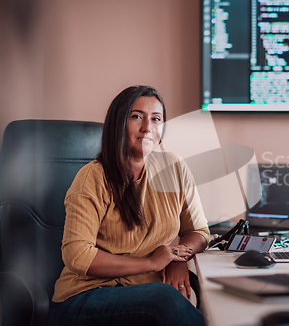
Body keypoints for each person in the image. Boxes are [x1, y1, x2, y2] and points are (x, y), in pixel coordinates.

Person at [49, 85, 209, 326]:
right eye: (137, 117)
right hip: (84, 297)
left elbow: (199, 232)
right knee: (163, 299)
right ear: (118, 123)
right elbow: (77, 255)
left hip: (147, 290)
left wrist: (178, 258)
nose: (147, 128)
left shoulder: (174, 167)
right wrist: (152, 263)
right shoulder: (92, 178)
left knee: (204, 292)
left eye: (156, 119)